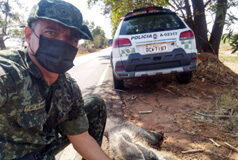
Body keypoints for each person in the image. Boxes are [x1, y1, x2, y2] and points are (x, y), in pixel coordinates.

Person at [0, 0, 111, 160]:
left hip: (45, 145)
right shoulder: (9, 74)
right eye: (51, 33)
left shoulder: (68, 86)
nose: (62, 43)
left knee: (95, 103)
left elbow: (81, 137)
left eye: (72, 38)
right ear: (29, 35)